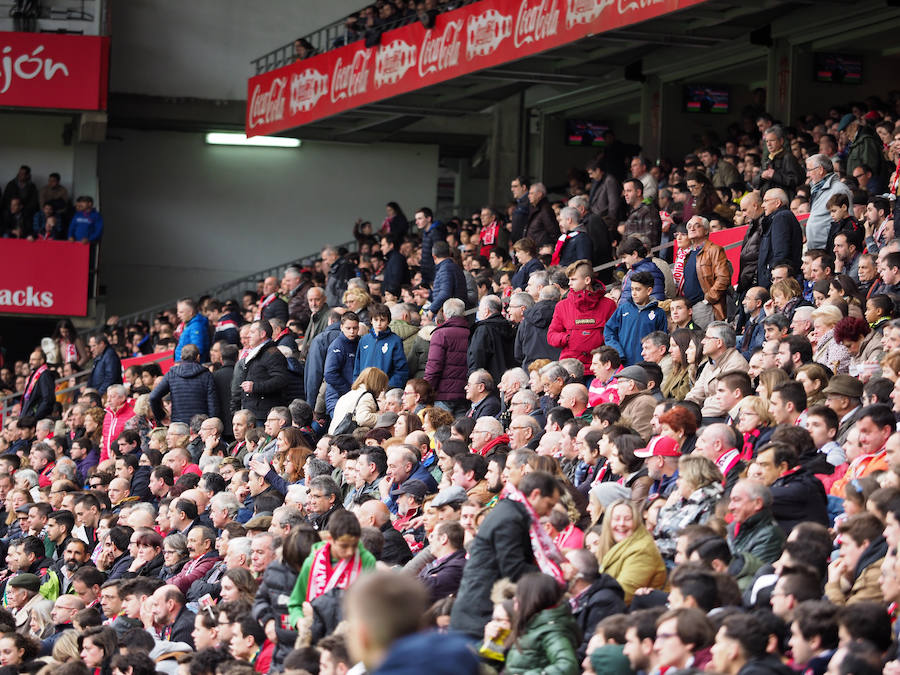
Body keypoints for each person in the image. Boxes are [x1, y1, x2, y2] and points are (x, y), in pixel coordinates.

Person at [450, 471, 562, 638]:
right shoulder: (510, 518)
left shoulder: (510, 510)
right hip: (480, 615)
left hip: (481, 610)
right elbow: (513, 568)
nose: (548, 513)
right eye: (549, 505)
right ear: (536, 494)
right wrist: (552, 579)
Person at [287, 510, 375, 626]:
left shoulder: (367, 561)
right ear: (330, 539)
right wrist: (300, 622)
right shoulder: (312, 561)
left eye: (354, 545)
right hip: (316, 633)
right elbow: (295, 604)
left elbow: (371, 606)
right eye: (344, 546)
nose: (349, 552)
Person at [502, 572, 580, 675]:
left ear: (532, 599)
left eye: (518, 597)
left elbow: (568, 665)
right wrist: (491, 644)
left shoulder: (552, 631)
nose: (514, 602)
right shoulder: (532, 626)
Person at [547, 260, 616, 369]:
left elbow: (615, 335)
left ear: (587, 280)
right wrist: (568, 338)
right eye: (569, 279)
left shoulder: (609, 305)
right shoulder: (562, 306)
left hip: (600, 366)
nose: (569, 283)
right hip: (570, 366)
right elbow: (551, 336)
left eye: (573, 279)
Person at [594, 499, 666, 603]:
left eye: (627, 519)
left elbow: (624, 594)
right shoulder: (613, 546)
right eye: (616, 519)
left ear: (636, 522)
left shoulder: (642, 551)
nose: (621, 523)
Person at [603, 272, 668, 367]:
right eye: (632, 289)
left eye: (638, 289)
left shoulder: (659, 313)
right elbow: (609, 331)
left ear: (649, 291)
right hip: (624, 365)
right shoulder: (623, 309)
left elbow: (662, 341)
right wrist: (618, 353)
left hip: (648, 366)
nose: (633, 293)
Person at [149, 345, 218, 424]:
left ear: (181, 357)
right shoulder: (206, 375)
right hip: (201, 424)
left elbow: (153, 397)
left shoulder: (171, 374)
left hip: (178, 424)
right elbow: (212, 404)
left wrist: (161, 415)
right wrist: (212, 423)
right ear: (198, 357)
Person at [757, 188, 803, 289]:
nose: (762, 205)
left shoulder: (781, 217)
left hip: (778, 284)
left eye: (766, 201)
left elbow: (781, 254)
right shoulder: (780, 217)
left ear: (777, 203)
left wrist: (770, 278)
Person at [174, 297, 210, 362]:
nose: (178, 315)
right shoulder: (190, 325)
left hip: (189, 367)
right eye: (178, 312)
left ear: (191, 312)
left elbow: (196, 350)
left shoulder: (196, 326)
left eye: (181, 312)